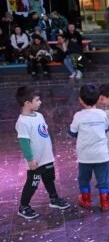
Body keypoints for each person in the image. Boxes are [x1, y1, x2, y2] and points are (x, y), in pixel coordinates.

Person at [14, 86, 69, 219]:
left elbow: (44, 134)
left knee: (50, 179)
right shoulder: (22, 122)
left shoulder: (39, 115)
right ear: (27, 103)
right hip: (36, 162)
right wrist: (30, 159)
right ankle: (24, 207)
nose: (40, 102)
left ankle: (54, 199)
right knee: (32, 184)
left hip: (47, 158)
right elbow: (24, 142)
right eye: (37, 100)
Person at [68, 84, 109, 212]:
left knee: (84, 179)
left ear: (80, 99)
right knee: (103, 179)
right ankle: (105, 203)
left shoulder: (78, 116)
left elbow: (72, 132)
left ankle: (86, 200)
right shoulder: (102, 114)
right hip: (101, 155)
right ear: (98, 99)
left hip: (85, 156)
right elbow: (106, 128)